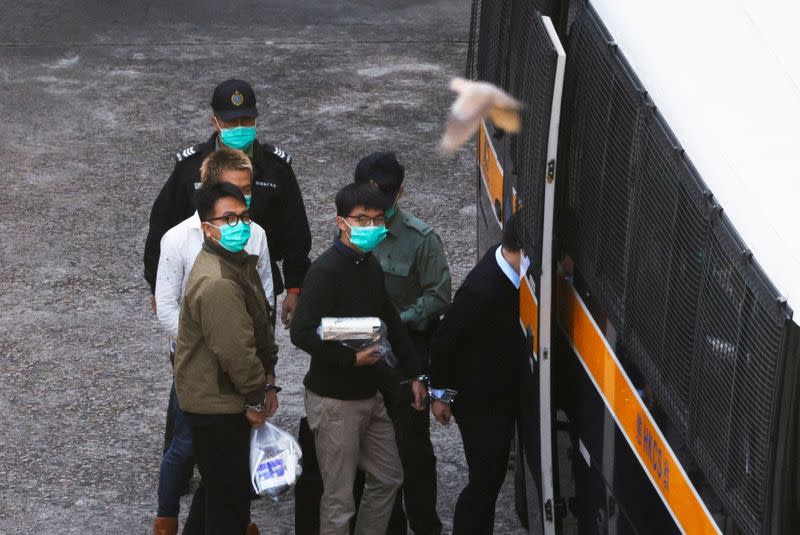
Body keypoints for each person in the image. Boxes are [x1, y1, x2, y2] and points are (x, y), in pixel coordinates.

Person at [290, 182, 428, 535]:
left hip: (370, 396)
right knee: (338, 501)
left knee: (388, 477)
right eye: (362, 220)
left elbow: (391, 320)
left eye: (377, 220)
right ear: (341, 222)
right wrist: (350, 361)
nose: (371, 227)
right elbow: (301, 332)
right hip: (335, 402)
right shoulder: (325, 272)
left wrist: (414, 373)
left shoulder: (369, 265)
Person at [151, 149, 274, 535]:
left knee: (219, 488)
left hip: (223, 390)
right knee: (225, 495)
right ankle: (165, 516)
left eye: (244, 214)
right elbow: (234, 349)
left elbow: (263, 304)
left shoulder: (239, 254)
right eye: (229, 218)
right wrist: (258, 392)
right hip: (217, 393)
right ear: (208, 226)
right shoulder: (217, 277)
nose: (240, 224)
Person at [144, 78, 311, 327]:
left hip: (255, 280)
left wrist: (295, 288)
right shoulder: (189, 169)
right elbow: (161, 225)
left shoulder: (276, 169)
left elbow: (295, 231)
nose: (240, 127)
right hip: (197, 284)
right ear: (215, 122)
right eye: (231, 122)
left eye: (246, 121)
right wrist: (158, 287)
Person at [353, 152, 450, 535]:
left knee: (411, 447)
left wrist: (399, 320)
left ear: (401, 193)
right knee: (366, 444)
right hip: (360, 349)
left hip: (406, 352)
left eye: (385, 197)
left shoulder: (420, 239)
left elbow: (439, 294)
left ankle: (424, 523)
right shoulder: (351, 230)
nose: (375, 207)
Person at [429, 214, 528, 535]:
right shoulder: (482, 291)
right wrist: (441, 394)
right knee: (484, 481)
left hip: (498, 393)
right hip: (479, 403)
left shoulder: (505, 268)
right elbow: (445, 340)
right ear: (524, 250)